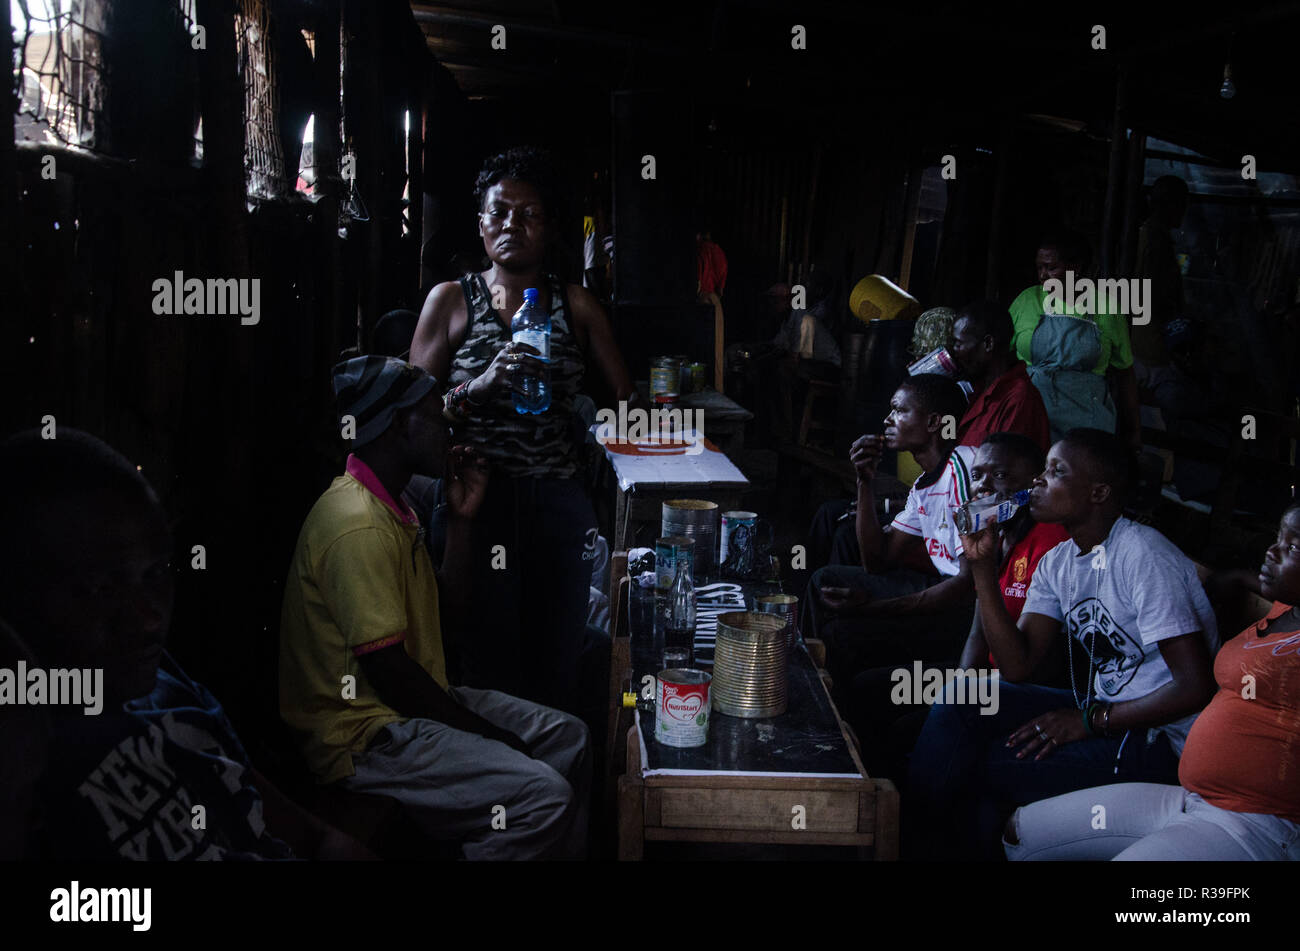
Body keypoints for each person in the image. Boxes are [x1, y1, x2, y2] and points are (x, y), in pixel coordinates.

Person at [0, 429, 370, 861]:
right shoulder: (25, 757)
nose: (149, 617)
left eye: (156, 573)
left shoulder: (163, 685)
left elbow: (310, 837)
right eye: (98, 589)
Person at [279, 356, 591, 860]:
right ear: (401, 425)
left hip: (408, 707)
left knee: (568, 739)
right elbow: (391, 674)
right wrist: (494, 738)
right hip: (365, 736)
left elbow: (448, 614)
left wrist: (463, 518)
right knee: (544, 798)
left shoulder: (391, 506)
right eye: (434, 414)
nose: (448, 426)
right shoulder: (356, 522)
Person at [906, 428, 1218, 860]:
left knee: (981, 762)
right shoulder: (1059, 562)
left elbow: (1195, 685)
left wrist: (1090, 721)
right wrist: (980, 567)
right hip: (1106, 711)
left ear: (1099, 492)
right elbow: (1018, 666)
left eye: (1056, 472)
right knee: (964, 697)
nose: (1038, 481)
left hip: (1163, 740)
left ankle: (917, 845)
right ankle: (914, 841)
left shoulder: (1142, 555)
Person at [409, 146, 636, 714]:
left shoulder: (577, 306)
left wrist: (590, 426)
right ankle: (498, 782)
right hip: (472, 502)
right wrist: (478, 387)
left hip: (557, 502)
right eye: (500, 212)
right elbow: (411, 414)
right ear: (481, 223)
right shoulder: (451, 301)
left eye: (530, 213)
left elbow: (625, 401)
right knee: (478, 655)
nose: (513, 224)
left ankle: (555, 779)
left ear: (549, 227)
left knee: (553, 652)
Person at [1006, 502, 1300, 861]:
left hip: (1255, 822)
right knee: (1018, 835)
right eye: (1277, 538)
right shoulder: (1285, 611)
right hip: (1191, 798)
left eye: (1293, 547)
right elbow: (1228, 582)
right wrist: (1236, 580)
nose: (1272, 551)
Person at [848, 432, 1067, 779]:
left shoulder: (1049, 542)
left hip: (1021, 689)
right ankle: (869, 798)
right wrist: (960, 684)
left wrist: (960, 697)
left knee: (905, 729)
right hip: (983, 680)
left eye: (1000, 476)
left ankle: (905, 817)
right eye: (977, 475)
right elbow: (979, 632)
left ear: (1033, 483)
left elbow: (1023, 669)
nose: (982, 487)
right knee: (868, 688)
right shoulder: (999, 534)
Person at [808, 374, 976, 686]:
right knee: (824, 582)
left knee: (842, 634)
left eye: (899, 411)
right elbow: (877, 560)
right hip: (942, 591)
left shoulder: (963, 468)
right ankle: (813, 681)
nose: (888, 419)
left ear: (933, 423)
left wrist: (873, 608)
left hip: (966, 614)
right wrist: (864, 481)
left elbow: (968, 584)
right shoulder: (924, 485)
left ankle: (832, 712)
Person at [1009, 232, 1142, 449]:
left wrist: (1134, 432)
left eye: (1051, 268)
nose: (1042, 275)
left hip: (1086, 419)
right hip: (1031, 412)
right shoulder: (1027, 300)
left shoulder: (1105, 308)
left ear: (1076, 268)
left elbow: (1125, 373)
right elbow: (1000, 358)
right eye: (1039, 267)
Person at [949, 301, 1051, 452]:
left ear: (988, 344)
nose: (954, 352)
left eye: (958, 344)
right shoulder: (974, 389)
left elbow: (1002, 468)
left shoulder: (1019, 399)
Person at [1131, 175, 1189, 367]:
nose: (1184, 211)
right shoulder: (1156, 242)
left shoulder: (1145, 235)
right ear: (1169, 205)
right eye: (1181, 204)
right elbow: (1159, 296)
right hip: (1152, 344)